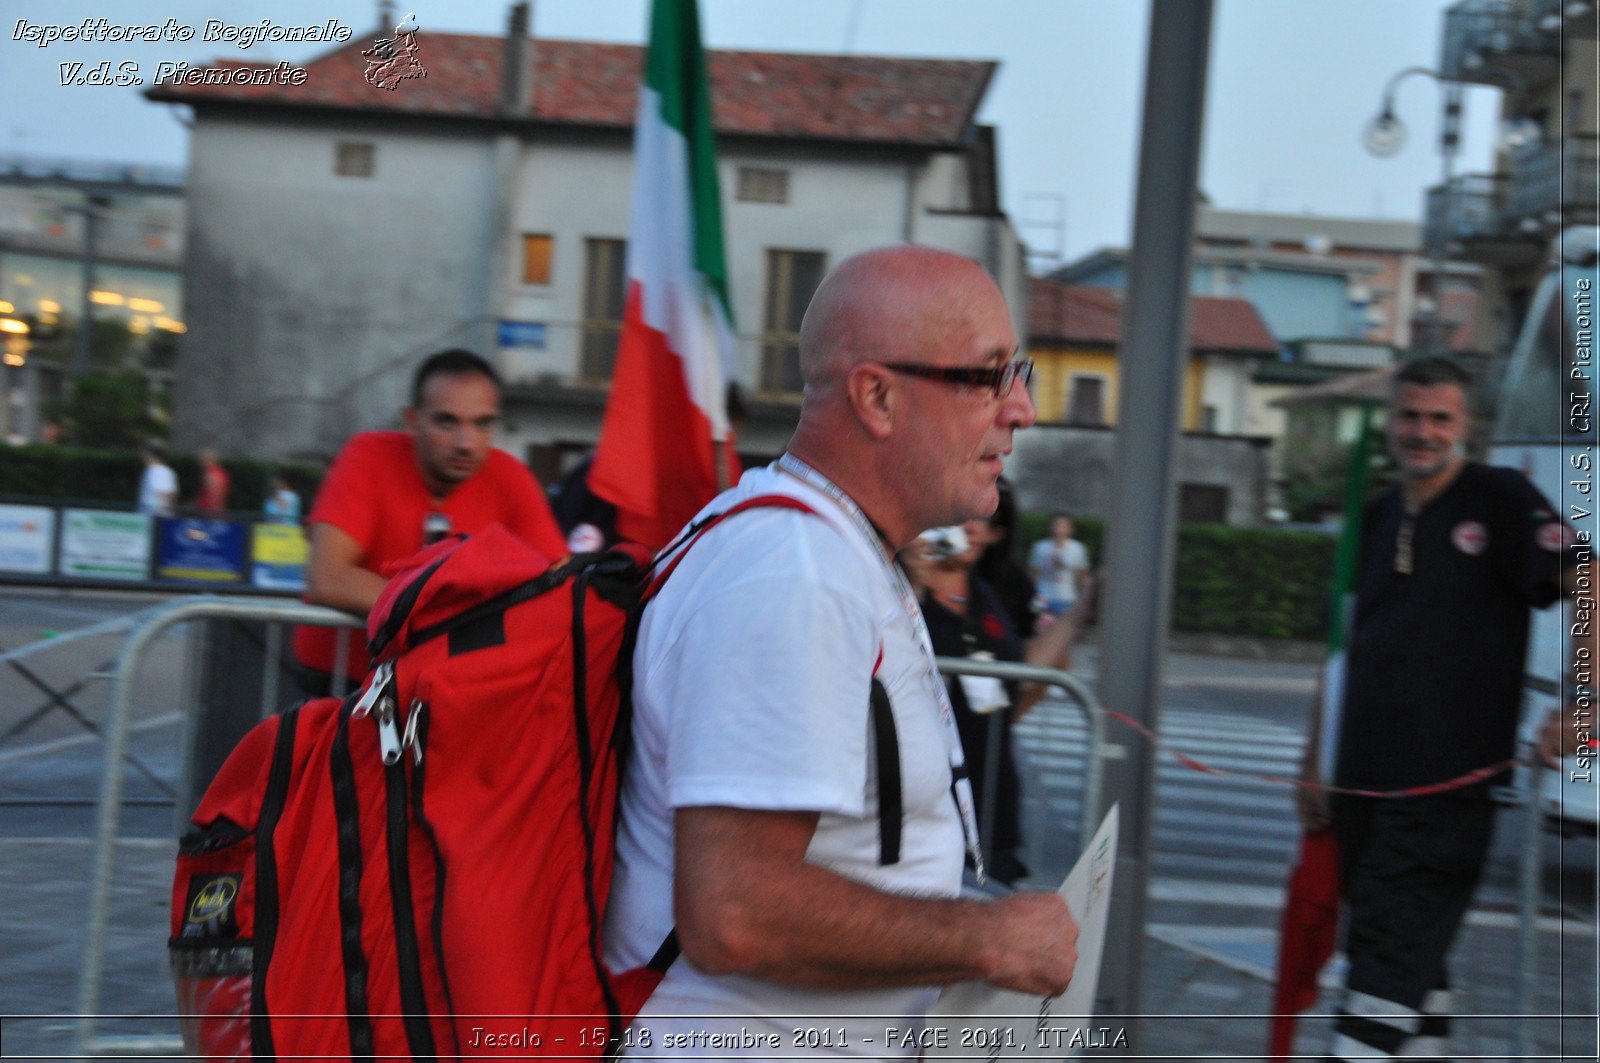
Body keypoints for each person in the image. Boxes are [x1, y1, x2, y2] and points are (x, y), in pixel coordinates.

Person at [603, 246, 1078, 1055]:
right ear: (878, 396)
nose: (1023, 409)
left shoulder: (826, 550)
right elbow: (735, 912)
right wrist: (986, 937)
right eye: (988, 376)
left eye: (1019, 372)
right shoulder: (796, 578)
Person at [1296, 356, 1590, 1062]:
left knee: (1382, 971)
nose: (1422, 431)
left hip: (1446, 793)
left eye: (1440, 418)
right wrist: (1313, 759)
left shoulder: (1499, 496)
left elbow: (1591, 576)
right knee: (1407, 967)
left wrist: (1586, 704)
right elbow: (1342, 646)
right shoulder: (1374, 513)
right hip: (1361, 785)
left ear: (1466, 426)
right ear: (1390, 422)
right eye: (1409, 415)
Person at [292, 349, 566, 692]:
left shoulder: (511, 477)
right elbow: (327, 578)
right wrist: (445, 616)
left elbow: (560, 585)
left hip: (444, 692)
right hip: (340, 687)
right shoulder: (368, 456)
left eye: (482, 423)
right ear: (411, 421)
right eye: (447, 422)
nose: (466, 443)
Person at [1027, 513, 1091, 624]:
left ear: (1070, 529)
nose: (1060, 528)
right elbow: (1032, 575)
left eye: (1064, 525)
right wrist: (1033, 595)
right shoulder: (1040, 547)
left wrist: (1083, 600)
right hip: (1042, 597)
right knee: (1033, 626)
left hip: (1067, 599)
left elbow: (1083, 577)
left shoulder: (1078, 549)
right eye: (1057, 524)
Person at [137, 441, 177, 517]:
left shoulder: (159, 471)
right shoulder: (151, 470)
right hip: (149, 518)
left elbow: (166, 495)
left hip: (156, 518)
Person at [194, 448, 231, 514]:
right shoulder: (221, 473)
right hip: (213, 511)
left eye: (202, 459)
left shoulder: (211, 475)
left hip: (208, 512)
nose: (199, 462)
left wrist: (214, 513)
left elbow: (215, 496)